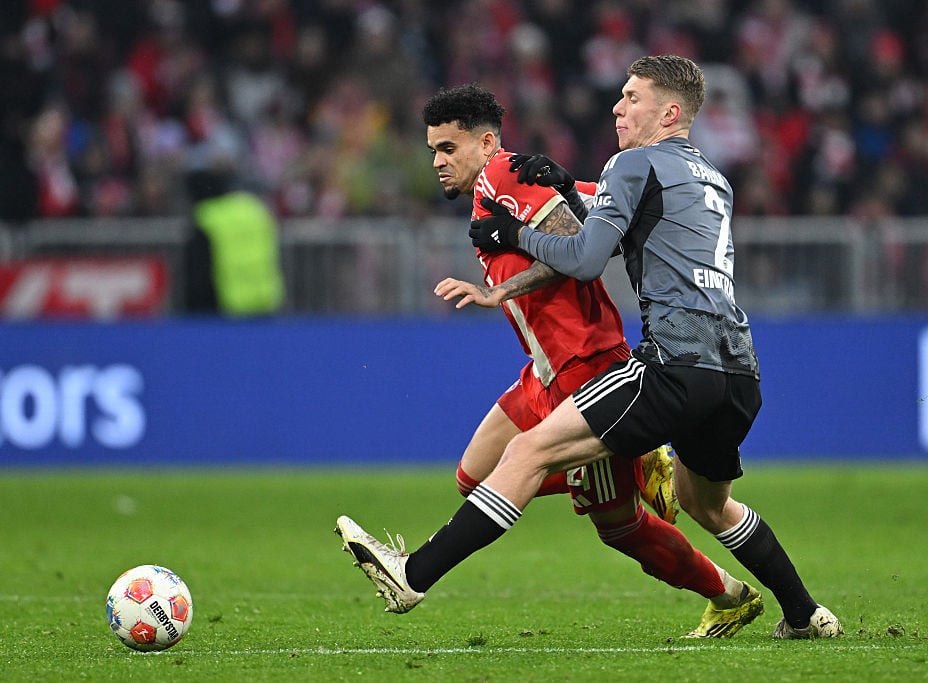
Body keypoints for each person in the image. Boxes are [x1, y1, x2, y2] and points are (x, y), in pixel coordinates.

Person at [337, 58, 842, 640]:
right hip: (737, 370)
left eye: (631, 98)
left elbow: (581, 256)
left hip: (668, 366)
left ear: (669, 113)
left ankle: (412, 575)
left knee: (533, 459)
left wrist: (513, 234)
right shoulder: (712, 178)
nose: (617, 107)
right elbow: (617, 215)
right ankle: (806, 614)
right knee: (702, 504)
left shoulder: (621, 164)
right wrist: (552, 200)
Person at [182, 168, 285, 316]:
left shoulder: (207, 216)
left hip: (227, 302)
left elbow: (200, 267)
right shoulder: (253, 208)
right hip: (264, 297)